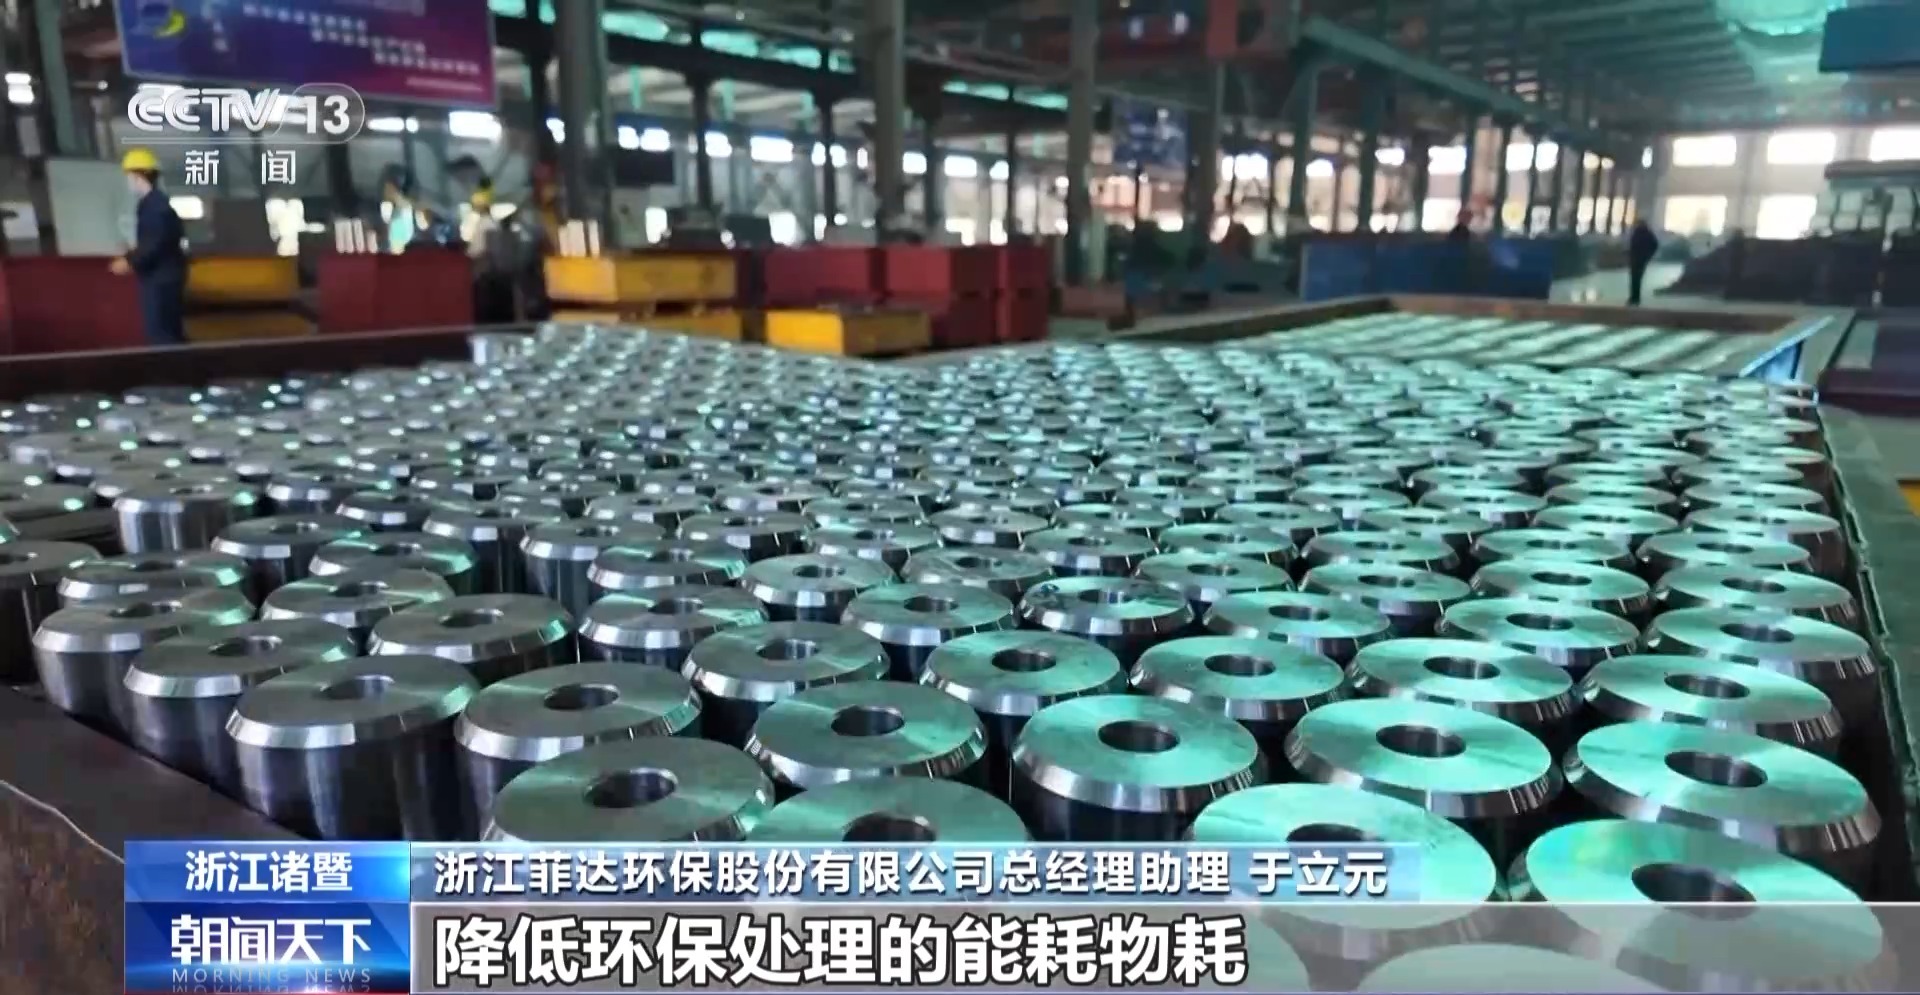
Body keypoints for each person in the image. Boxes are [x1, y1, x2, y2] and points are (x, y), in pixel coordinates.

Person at [109, 148, 188, 346]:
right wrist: (131, 253)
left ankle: (174, 366)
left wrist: (129, 260)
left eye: (129, 176)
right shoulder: (153, 204)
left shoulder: (156, 206)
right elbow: (155, 239)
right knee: (166, 332)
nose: (128, 182)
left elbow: (156, 242)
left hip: (160, 279)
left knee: (162, 335)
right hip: (162, 276)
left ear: (138, 176)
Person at [462, 182, 517, 324]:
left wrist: (467, 256)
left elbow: (477, 249)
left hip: (484, 269)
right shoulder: (491, 223)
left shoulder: (485, 224)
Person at [1628, 219, 1660, 305]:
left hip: (1640, 259)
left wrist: (1648, 255)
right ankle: (1634, 298)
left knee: (1636, 278)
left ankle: (1635, 298)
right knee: (1635, 278)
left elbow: (1655, 245)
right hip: (1636, 258)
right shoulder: (1638, 233)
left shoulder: (1646, 234)